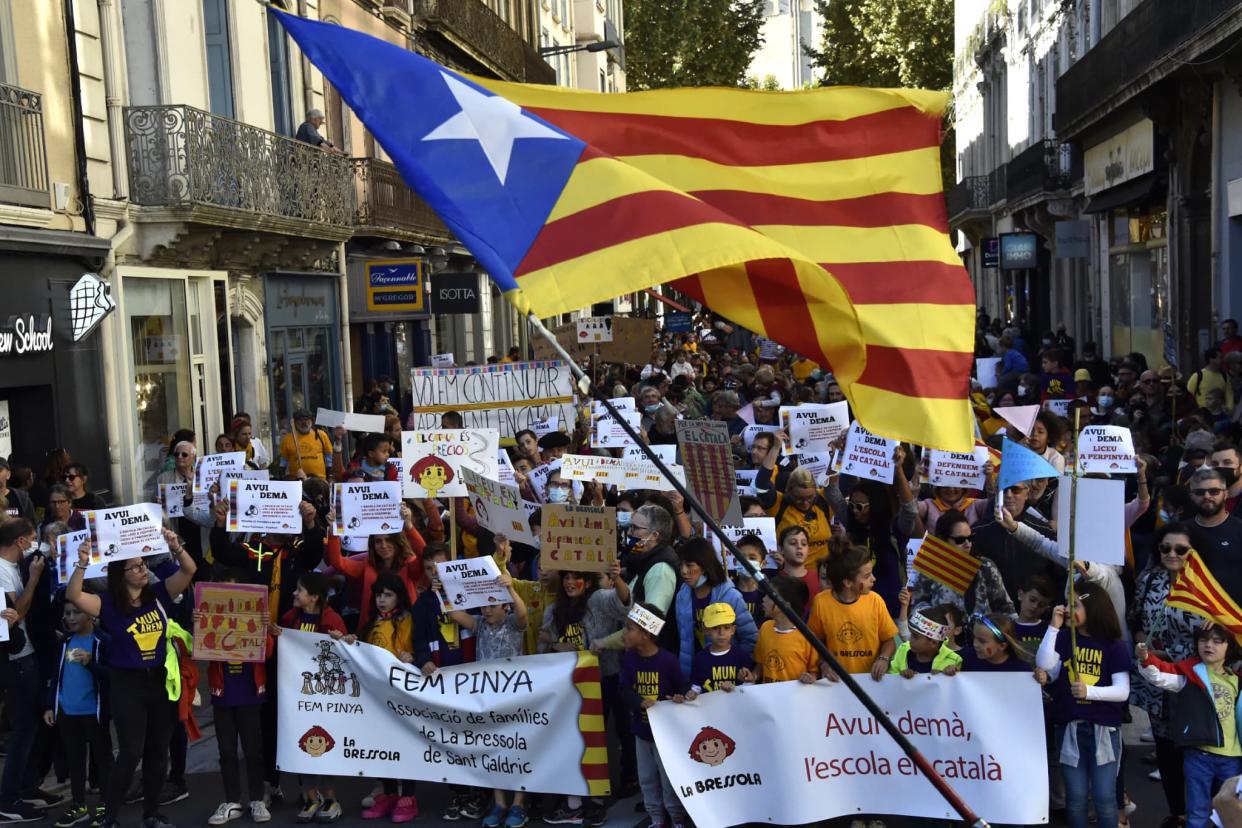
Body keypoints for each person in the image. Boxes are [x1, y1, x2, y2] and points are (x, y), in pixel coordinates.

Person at [65, 531, 197, 828]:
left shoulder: (158, 594)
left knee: (157, 752)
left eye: (143, 564)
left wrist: (177, 547)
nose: (143, 570)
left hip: (159, 681)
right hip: (127, 683)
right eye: (137, 567)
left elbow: (189, 570)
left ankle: (151, 813)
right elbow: (73, 596)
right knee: (130, 752)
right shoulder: (108, 603)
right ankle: (109, 817)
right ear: (121, 574)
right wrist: (82, 564)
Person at [1036, 591, 1130, 828]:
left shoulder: (1114, 646)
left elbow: (1122, 691)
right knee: (1075, 797)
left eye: (1074, 605)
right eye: (1066, 603)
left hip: (1104, 731)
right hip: (1070, 728)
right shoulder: (1066, 638)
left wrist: (1090, 692)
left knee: (1105, 798)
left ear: (1094, 609)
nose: (1067, 609)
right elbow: (1046, 665)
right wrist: (1054, 628)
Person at [443, 570, 529, 828]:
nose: (487, 610)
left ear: (505, 605)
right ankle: (500, 803)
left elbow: (524, 614)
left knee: (516, 750)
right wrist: (442, 588)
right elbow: (454, 613)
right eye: (484, 605)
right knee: (493, 750)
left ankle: (519, 804)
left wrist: (511, 589)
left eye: (493, 604)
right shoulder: (479, 624)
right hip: (486, 699)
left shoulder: (513, 623)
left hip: (513, 699)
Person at [1137, 626, 1242, 827]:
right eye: (1204, 640)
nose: (1209, 645)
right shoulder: (1190, 673)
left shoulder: (1237, 679)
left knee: (1232, 814)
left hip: (1232, 760)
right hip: (1198, 757)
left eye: (1217, 641)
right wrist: (1145, 658)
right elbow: (1160, 675)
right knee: (1197, 814)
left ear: (1230, 646)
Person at [343, 572, 419, 824]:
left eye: (388, 595)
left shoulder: (408, 620)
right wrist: (350, 642)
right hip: (377, 694)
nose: (382, 600)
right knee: (383, 746)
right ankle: (387, 793)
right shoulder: (371, 621)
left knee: (403, 745)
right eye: (378, 595)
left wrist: (411, 657)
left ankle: (408, 795)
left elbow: (413, 649)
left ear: (399, 597)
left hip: (400, 692)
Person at [270, 572, 346, 823]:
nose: (294, 593)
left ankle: (332, 799)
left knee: (322, 747)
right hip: (297, 697)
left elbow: (346, 655)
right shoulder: (290, 619)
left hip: (324, 700)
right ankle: (312, 797)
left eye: (300, 590)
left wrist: (343, 641)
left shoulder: (332, 619)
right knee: (301, 746)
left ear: (314, 597)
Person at [201, 567, 272, 826]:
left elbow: (268, 653)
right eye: (222, 589)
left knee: (253, 750)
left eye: (233, 588)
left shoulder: (255, 615)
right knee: (226, 751)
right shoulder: (208, 616)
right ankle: (232, 800)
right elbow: (200, 651)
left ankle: (257, 799)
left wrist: (264, 629)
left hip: (251, 693)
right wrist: (201, 625)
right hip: (223, 695)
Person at [44, 601, 113, 828]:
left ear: (91, 615)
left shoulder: (102, 641)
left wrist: (91, 663)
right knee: (74, 760)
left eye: (76, 612)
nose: (71, 617)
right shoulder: (65, 641)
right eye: (67, 613)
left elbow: (112, 677)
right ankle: (79, 805)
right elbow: (57, 674)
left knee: (102, 759)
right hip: (67, 710)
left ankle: (106, 805)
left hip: (93, 710)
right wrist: (50, 705)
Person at [617, 605, 687, 828]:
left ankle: (677, 818)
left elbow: (682, 689)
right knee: (646, 777)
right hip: (642, 732)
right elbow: (624, 689)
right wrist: (639, 702)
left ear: (646, 634)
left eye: (629, 629)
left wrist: (679, 697)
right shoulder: (628, 659)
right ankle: (656, 819)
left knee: (668, 779)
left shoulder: (668, 661)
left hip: (665, 736)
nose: (625, 634)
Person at [0, 519, 48, 823]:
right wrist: (33, 579)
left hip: (27, 655)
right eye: (31, 540)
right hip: (17, 660)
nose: (34, 545)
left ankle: (28, 786)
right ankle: (8, 798)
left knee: (33, 726)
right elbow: (16, 615)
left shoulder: (10, 568)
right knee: (23, 730)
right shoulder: (3, 573)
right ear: (20, 541)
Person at [808, 539, 897, 682]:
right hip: (836, 683)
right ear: (847, 582)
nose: (873, 579)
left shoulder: (875, 601)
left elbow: (889, 640)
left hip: (871, 681)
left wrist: (883, 658)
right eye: (867, 576)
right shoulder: (821, 602)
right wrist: (823, 664)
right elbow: (814, 642)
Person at [599, 505, 679, 653]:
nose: (629, 532)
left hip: (651, 664)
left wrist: (605, 643)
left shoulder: (660, 570)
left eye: (635, 528)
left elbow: (647, 623)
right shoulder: (642, 560)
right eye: (630, 526)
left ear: (654, 535)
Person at [671, 539, 758, 677]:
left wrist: (730, 662)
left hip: (727, 680)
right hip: (694, 678)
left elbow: (751, 639)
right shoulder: (682, 596)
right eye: (680, 565)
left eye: (689, 565)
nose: (684, 571)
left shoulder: (731, 597)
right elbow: (683, 640)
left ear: (705, 566)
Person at [908, 510, 1014, 618]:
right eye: (960, 540)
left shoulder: (985, 567)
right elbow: (917, 608)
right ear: (942, 539)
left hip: (981, 633)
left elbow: (1006, 608)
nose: (968, 544)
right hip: (944, 633)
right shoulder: (930, 569)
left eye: (970, 538)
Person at [675, 602, 754, 699]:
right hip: (710, 711)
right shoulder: (700, 658)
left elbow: (750, 688)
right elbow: (696, 687)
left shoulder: (742, 656)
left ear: (733, 630)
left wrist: (742, 684)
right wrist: (691, 694)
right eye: (715, 628)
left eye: (726, 627)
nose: (721, 633)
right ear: (706, 630)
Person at [1188, 467, 1242, 605]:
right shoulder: (1179, 531)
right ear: (1191, 495)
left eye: (1214, 491)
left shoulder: (1239, 529)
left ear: (1226, 494)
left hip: (1232, 617)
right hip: (1188, 613)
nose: (1207, 496)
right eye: (1200, 492)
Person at [959, 613, 1031, 672]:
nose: (975, 644)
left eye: (982, 641)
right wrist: (953, 672)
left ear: (1002, 646)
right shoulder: (967, 659)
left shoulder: (1021, 668)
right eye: (974, 637)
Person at [278, 411, 340, 479]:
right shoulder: (288, 439)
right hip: (297, 481)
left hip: (319, 479)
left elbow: (329, 455)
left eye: (307, 420)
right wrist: (283, 475)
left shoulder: (321, 435)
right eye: (300, 421)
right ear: (295, 423)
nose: (304, 423)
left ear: (312, 421)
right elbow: (283, 461)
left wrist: (330, 472)